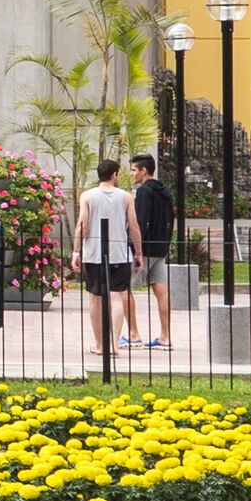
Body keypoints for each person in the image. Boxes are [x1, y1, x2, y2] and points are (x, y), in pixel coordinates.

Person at [75, 149, 140, 366]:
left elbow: (82, 225)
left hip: (93, 253)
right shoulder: (126, 197)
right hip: (119, 253)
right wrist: (138, 252)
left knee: (95, 297)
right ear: (114, 174)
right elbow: (134, 226)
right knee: (117, 296)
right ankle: (113, 344)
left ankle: (99, 344)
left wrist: (76, 251)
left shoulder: (87, 196)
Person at [131, 149, 178, 346]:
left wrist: (137, 250)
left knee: (123, 288)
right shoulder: (164, 191)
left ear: (143, 171)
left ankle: (133, 334)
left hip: (146, 249)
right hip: (161, 247)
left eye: (134, 170)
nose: (132, 173)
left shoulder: (143, 191)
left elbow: (140, 222)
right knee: (161, 291)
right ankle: (165, 336)